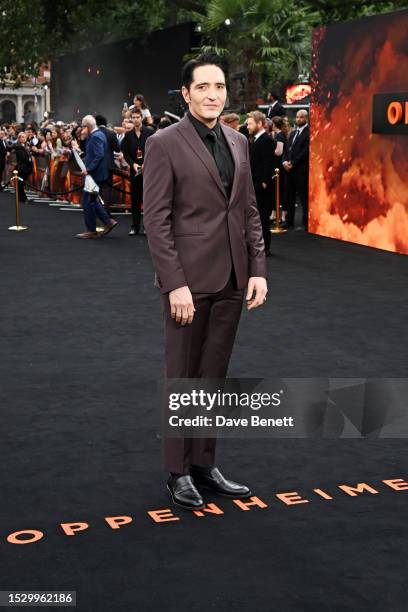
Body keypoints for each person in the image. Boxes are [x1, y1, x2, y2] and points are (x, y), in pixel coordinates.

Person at [143, 52, 268, 511]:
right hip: (188, 283)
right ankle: (177, 471)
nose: (213, 94)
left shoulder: (237, 140)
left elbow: (249, 210)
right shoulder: (163, 143)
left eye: (218, 87)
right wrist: (173, 283)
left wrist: (258, 270)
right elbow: (156, 220)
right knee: (183, 376)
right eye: (203, 88)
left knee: (214, 377)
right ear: (186, 93)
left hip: (234, 277)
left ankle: (204, 463)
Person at [74, 115, 117, 239]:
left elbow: (99, 155)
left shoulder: (96, 136)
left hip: (95, 175)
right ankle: (108, 221)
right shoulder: (96, 135)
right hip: (97, 174)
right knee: (92, 201)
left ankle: (92, 230)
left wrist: (88, 169)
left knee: (88, 202)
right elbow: (94, 154)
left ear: (87, 126)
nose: (81, 128)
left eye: (83, 126)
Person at [247, 111, 276, 257]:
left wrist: (264, 182)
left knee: (263, 218)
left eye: (250, 123)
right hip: (255, 184)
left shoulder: (266, 140)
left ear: (259, 124)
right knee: (257, 218)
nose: (247, 126)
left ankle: (265, 248)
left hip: (261, 186)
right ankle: (259, 247)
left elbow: (268, 162)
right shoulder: (258, 139)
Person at [121, 108, 152, 235]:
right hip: (135, 172)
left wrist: (146, 163)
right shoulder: (128, 135)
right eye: (133, 118)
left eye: (137, 117)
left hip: (149, 172)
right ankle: (135, 226)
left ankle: (147, 226)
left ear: (142, 118)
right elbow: (125, 152)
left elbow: (155, 150)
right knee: (135, 200)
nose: (135, 119)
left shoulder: (150, 133)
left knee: (148, 200)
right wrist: (132, 164)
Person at [282, 109, 310, 230]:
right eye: (297, 117)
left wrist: (292, 163)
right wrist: (284, 161)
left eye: (301, 117)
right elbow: (286, 148)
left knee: (304, 198)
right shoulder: (292, 133)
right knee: (289, 197)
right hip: (289, 171)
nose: (298, 119)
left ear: (306, 118)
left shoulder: (309, 132)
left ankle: (305, 223)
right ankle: (289, 221)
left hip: (301, 171)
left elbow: (305, 152)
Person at [14, 132, 33, 203]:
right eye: (21, 137)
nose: (23, 138)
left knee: (21, 184)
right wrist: (30, 162)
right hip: (22, 168)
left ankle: (20, 198)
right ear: (19, 138)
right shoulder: (19, 146)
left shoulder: (24, 146)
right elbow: (24, 158)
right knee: (20, 184)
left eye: (24, 137)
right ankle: (23, 198)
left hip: (25, 168)